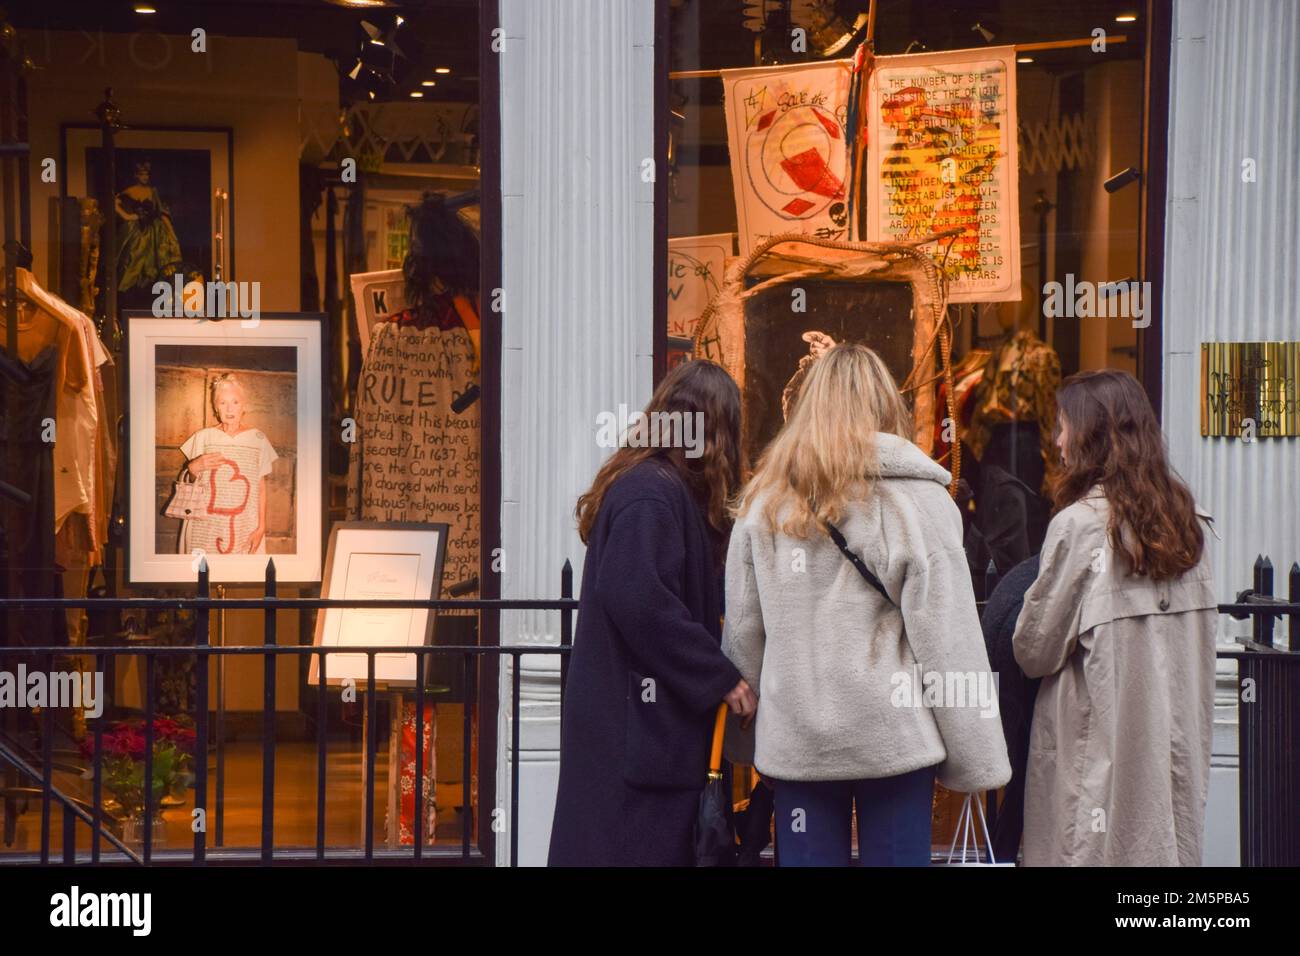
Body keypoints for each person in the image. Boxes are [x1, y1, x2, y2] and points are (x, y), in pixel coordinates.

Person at [724, 343, 1011, 867]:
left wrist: (746, 742)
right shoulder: (919, 503)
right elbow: (948, 642)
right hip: (894, 740)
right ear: (884, 406)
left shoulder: (764, 504)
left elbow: (744, 633)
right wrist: (976, 756)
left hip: (799, 741)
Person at [548, 360, 757, 866]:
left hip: (639, 743)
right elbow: (638, 598)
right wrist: (720, 678)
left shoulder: (653, 486)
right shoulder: (651, 493)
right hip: (638, 749)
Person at [1013, 369, 1217, 866]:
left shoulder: (1080, 527)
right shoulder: (1194, 526)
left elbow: (1034, 652)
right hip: (1169, 756)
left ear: (1091, 437)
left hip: (1096, 756)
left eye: (1063, 427)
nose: (1057, 442)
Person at [176, 373, 279, 556]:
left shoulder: (258, 439)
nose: (229, 408)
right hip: (205, 525)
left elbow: (260, 486)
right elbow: (191, 480)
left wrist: (261, 527)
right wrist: (193, 468)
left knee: (238, 577)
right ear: (216, 408)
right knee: (203, 577)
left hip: (244, 525)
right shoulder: (203, 437)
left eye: (235, 402)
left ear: (243, 406)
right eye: (223, 403)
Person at [115, 159, 183, 294]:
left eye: (146, 175)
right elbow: (114, 203)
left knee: (155, 260)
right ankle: (131, 290)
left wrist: (169, 229)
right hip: (137, 230)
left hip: (154, 231)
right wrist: (128, 216)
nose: (145, 177)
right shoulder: (130, 191)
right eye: (141, 174)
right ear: (136, 176)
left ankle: (151, 288)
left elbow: (160, 211)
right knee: (135, 257)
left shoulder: (153, 191)